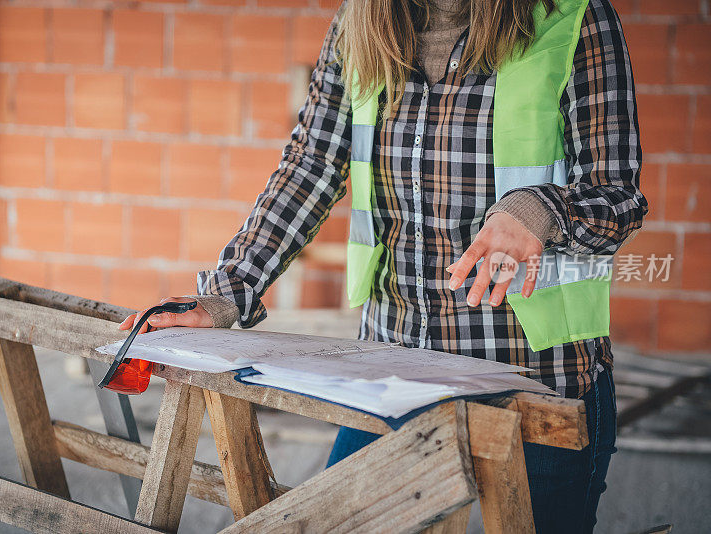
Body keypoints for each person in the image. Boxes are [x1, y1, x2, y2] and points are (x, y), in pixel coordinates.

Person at [119, 0, 645, 531]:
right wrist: (227, 294)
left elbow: (619, 195)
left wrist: (540, 210)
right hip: (393, 370)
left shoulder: (571, 16)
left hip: (537, 380)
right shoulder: (362, 21)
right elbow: (310, 166)